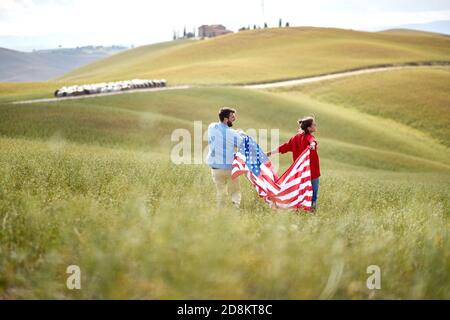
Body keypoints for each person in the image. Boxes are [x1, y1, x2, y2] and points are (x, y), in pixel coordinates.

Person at [267, 116, 321, 211]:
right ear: (308, 128)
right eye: (314, 124)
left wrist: (270, 152)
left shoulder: (295, 138)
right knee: (313, 195)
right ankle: (312, 212)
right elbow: (312, 140)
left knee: (300, 193)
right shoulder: (308, 137)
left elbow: (285, 147)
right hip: (312, 172)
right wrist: (313, 144)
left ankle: (300, 210)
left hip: (300, 173)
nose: (315, 125)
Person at [206, 107, 244, 209]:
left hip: (215, 168)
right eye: (232, 117)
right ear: (226, 119)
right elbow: (242, 144)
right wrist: (240, 133)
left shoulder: (211, 127)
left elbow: (222, 133)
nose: (234, 119)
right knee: (235, 192)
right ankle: (235, 211)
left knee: (220, 192)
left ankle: (221, 213)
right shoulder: (233, 133)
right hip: (229, 168)